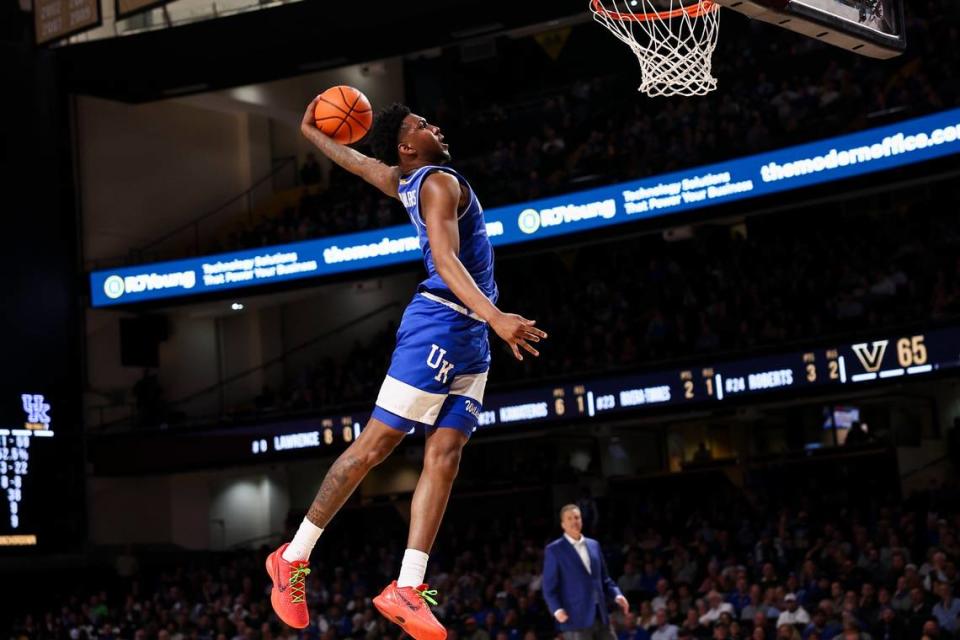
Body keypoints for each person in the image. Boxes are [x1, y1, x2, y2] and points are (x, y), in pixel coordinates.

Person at [264, 99, 548, 640]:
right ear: (407, 145)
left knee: (446, 454)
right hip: (442, 323)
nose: (434, 124)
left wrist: (310, 132)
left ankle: (407, 586)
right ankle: (292, 556)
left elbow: (358, 164)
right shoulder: (438, 181)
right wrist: (496, 317)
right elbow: (445, 259)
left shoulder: (405, 179)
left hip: (468, 338)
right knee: (375, 447)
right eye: (421, 124)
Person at [543, 504, 630, 639]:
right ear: (563, 524)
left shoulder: (593, 545)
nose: (574, 521)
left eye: (577, 517)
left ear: (581, 520)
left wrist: (617, 595)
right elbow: (549, 587)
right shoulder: (554, 550)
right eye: (569, 518)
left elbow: (605, 579)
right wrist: (557, 609)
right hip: (575, 619)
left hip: (601, 615)